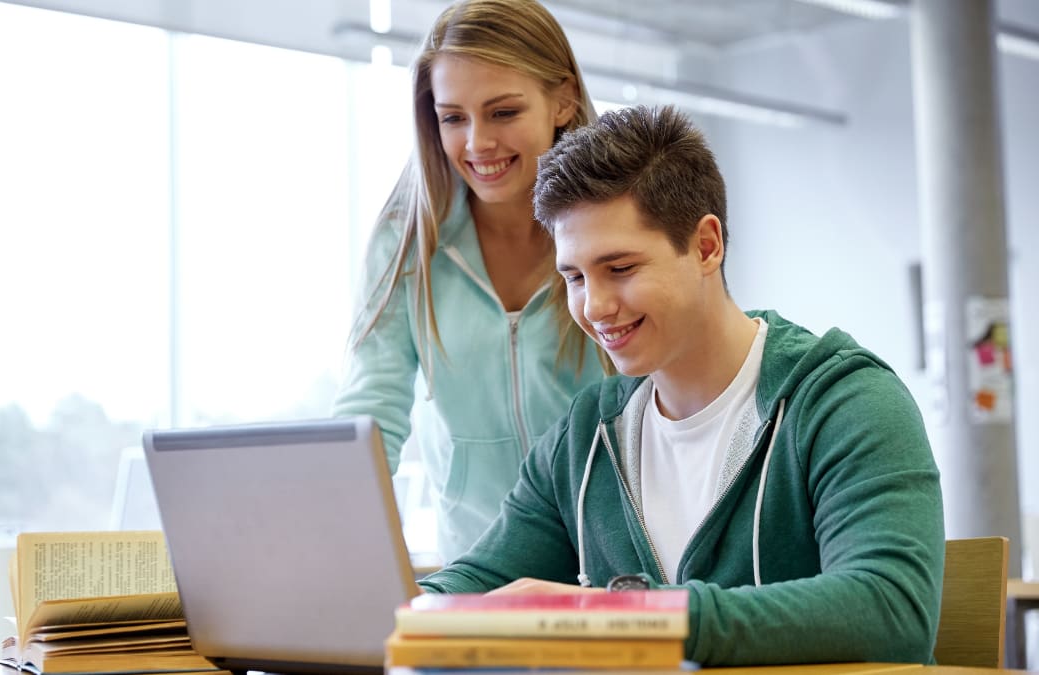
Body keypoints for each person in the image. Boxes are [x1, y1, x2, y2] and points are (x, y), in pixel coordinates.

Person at [418, 105, 945, 666]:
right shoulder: (588, 434)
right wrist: (405, 613)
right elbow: (476, 583)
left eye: (620, 269)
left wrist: (622, 618)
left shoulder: (846, 403)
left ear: (706, 246)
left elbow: (892, 610)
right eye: (574, 277)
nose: (594, 307)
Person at [333, 0, 607, 563]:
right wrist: (342, 552)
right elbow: (371, 411)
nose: (477, 143)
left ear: (562, 100)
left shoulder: (615, 226)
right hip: (476, 565)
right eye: (453, 117)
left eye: (503, 112)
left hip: (612, 564)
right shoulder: (407, 239)